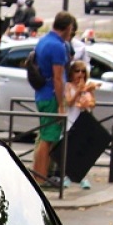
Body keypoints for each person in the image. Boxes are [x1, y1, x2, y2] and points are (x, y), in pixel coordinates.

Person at [32, 12, 77, 183]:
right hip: (51, 95)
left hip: (42, 92)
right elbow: (58, 77)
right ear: (67, 28)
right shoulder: (57, 46)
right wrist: (61, 104)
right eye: (71, 28)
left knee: (45, 136)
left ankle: (38, 176)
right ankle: (41, 179)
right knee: (48, 139)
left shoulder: (44, 41)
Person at [62, 60, 100, 189]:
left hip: (84, 117)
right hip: (71, 119)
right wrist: (78, 91)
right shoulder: (68, 86)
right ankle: (67, 176)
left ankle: (82, 177)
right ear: (71, 73)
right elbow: (69, 102)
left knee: (83, 150)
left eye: (83, 71)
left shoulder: (88, 86)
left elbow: (93, 103)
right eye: (77, 71)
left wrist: (88, 101)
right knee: (71, 149)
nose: (80, 74)